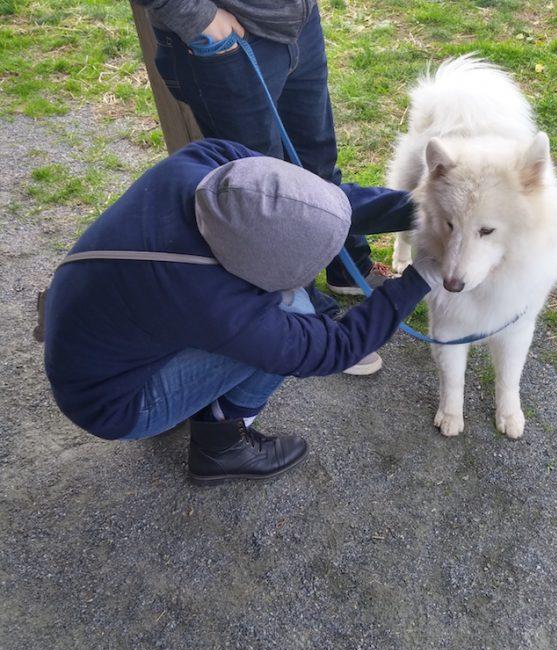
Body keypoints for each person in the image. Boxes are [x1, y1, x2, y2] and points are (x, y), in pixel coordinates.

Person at [42, 140, 439, 485]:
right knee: (298, 311)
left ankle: (190, 396)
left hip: (96, 323)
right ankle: (220, 445)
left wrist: (429, 209)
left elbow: (305, 204)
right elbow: (334, 348)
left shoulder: (208, 161)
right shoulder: (213, 302)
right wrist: (421, 275)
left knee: (283, 309)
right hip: (111, 402)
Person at [136, 0, 412, 373]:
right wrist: (198, 15)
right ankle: (313, 320)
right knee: (268, 203)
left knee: (318, 167)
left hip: (297, 22)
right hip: (225, 36)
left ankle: (348, 266)